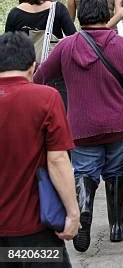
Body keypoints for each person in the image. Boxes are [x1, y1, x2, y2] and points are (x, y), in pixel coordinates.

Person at [34, 0, 123, 253]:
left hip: (81, 128)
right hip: (120, 125)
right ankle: (117, 228)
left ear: (81, 15)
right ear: (107, 15)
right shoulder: (122, 47)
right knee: (116, 172)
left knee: (85, 172)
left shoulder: (66, 46)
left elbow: (41, 77)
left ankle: (84, 208)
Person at [0, 32, 79, 267]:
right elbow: (57, 161)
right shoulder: (46, 98)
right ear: (32, 67)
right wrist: (73, 213)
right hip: (34, 237)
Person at [5, 0, 76, 105]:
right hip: (54, 77)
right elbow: (74, 39)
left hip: (24, 77)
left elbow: (8, 49)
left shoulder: (15, 14)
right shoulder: (58, 9)